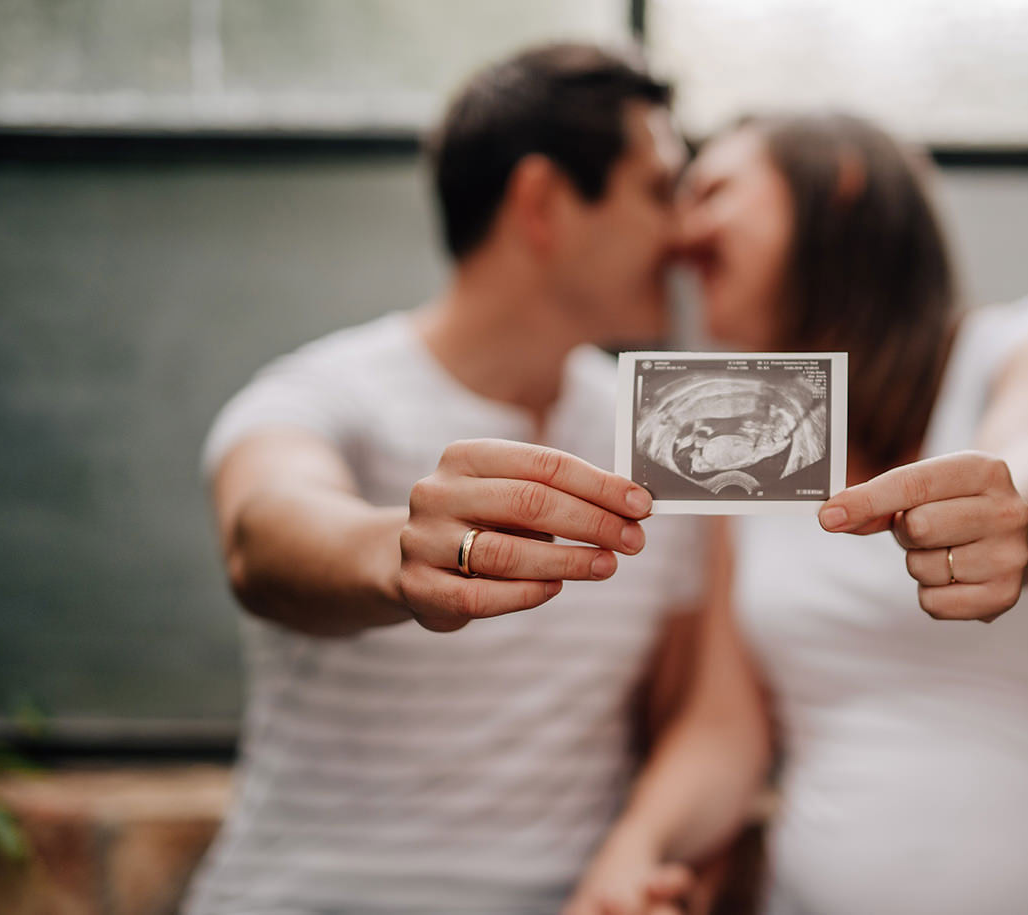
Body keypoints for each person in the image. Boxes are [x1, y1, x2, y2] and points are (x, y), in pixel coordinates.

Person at [567, 115, 1028, 915]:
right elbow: (722, 726)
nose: (679, 235)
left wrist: (1014, 512)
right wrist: (634, 848)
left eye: (711, 191)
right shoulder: (750, 452)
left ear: (840, 182)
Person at [183, 44, 710, 914]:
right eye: (659, 191)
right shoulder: (321, 396)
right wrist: (396, 554)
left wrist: (650, 870)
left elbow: (679, 718)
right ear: (541, 203)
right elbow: (261, 537)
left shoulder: (666, 434)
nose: (686, 234)